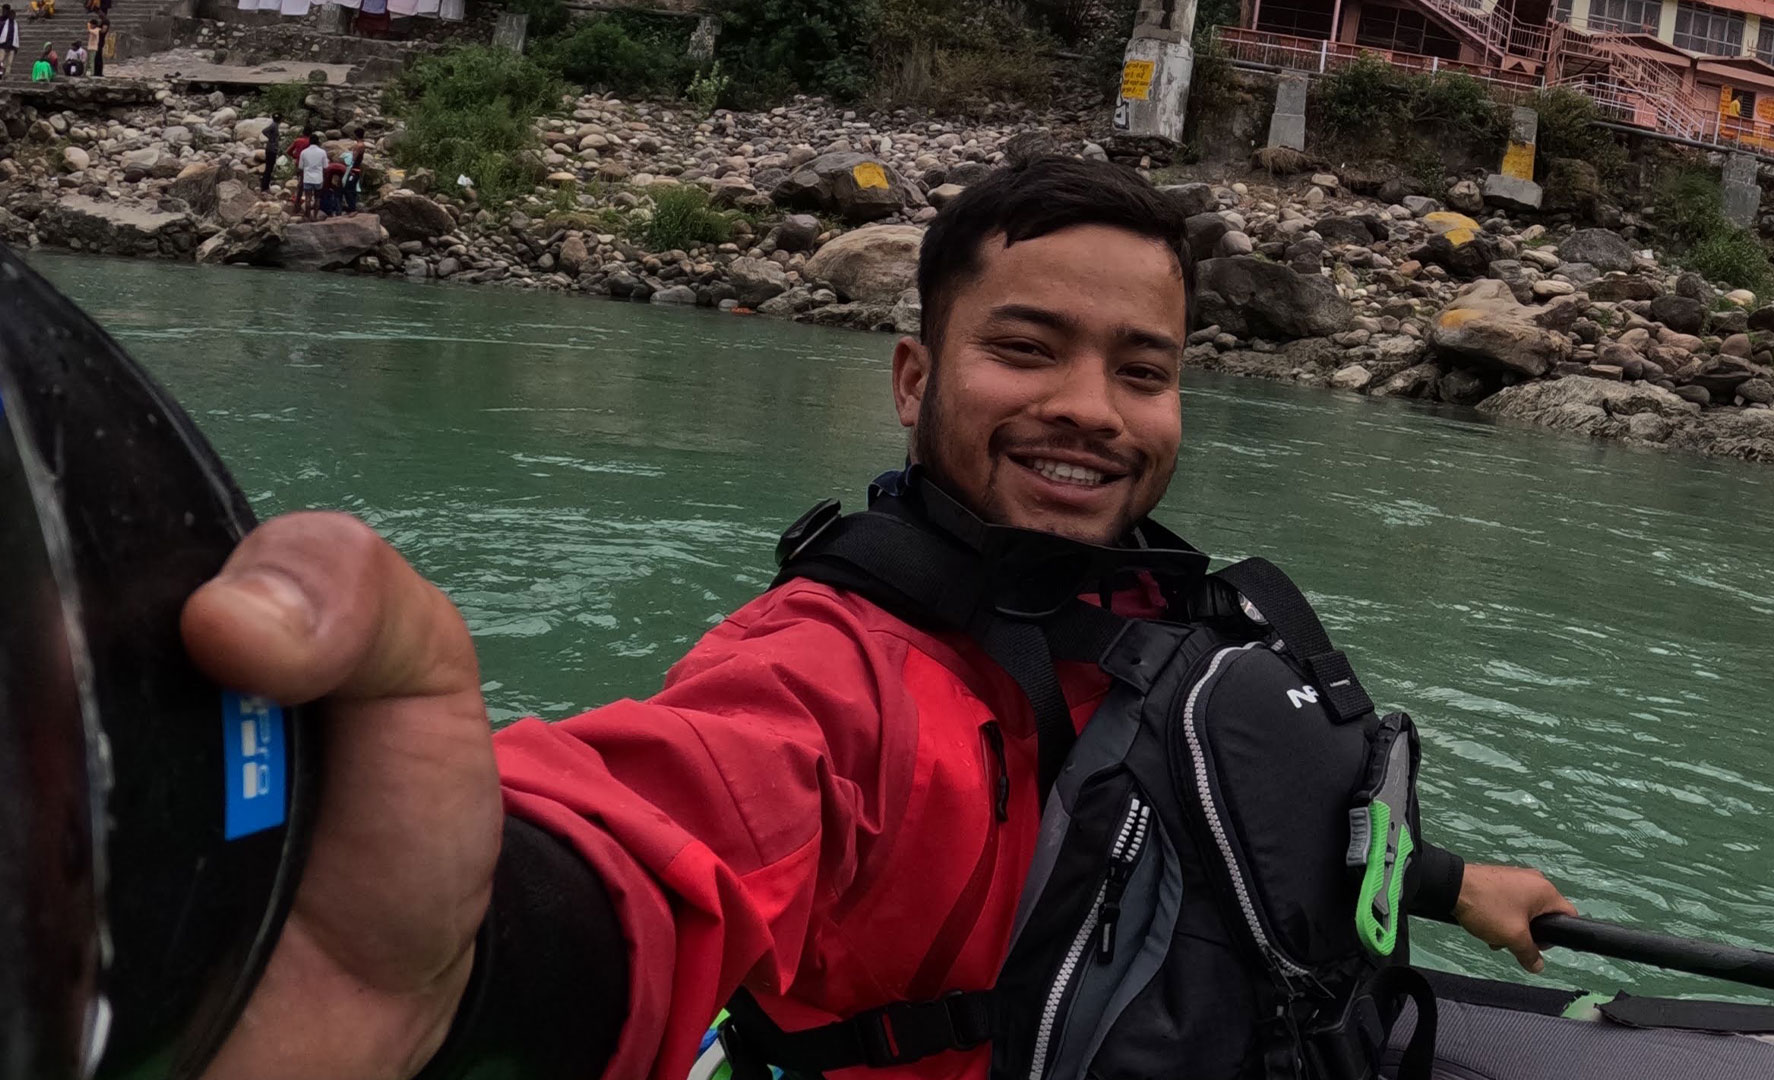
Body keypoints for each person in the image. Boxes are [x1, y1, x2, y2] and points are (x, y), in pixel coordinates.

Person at [183, 158, 1572, 1080]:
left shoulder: (1157, 611)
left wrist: (1453, 885)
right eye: (1024, 349)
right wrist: (458, 969)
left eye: (1141, 371)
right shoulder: (830, 677)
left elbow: (1234, 819)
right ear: (914, 378)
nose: (1090, 409)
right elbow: (662, 840)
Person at [293, 130, 324, 217]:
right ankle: (315, 217)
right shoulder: (322, 152)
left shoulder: (304, 152)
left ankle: (307, 216)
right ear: (318, 142)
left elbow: (300, 167)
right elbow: (325, 166)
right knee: (317, 198)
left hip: (307, 177)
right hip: (318, 178)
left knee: (308, 198)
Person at [343, 127, 367, 213]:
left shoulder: (358, 146)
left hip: (354, 170)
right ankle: (352, 208)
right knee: (352, 189)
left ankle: (352, 209)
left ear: (356, 135)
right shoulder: (363, 144)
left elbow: (353, 159)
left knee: (348, 189)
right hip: (357, 169)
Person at [260, 113, 281, 195]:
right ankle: (264, 187)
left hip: (271, 148)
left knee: (269, 168)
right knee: (269, 168)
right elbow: (264, 131)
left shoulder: (274, 125)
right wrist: (270, 138)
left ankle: (265, 185)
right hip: (271, 149)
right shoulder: (274, 125)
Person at [0, 6, 19, 79]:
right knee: (1, 60)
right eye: (11, 15)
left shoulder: (16, 25)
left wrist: (16, 47)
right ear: (9, 15)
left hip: (12, 46)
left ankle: (6, 75)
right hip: (3, 45)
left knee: (9, 63)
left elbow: (17, 36)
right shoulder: (3, 23)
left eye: (13, 15)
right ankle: (0, 74)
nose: (12, 16)